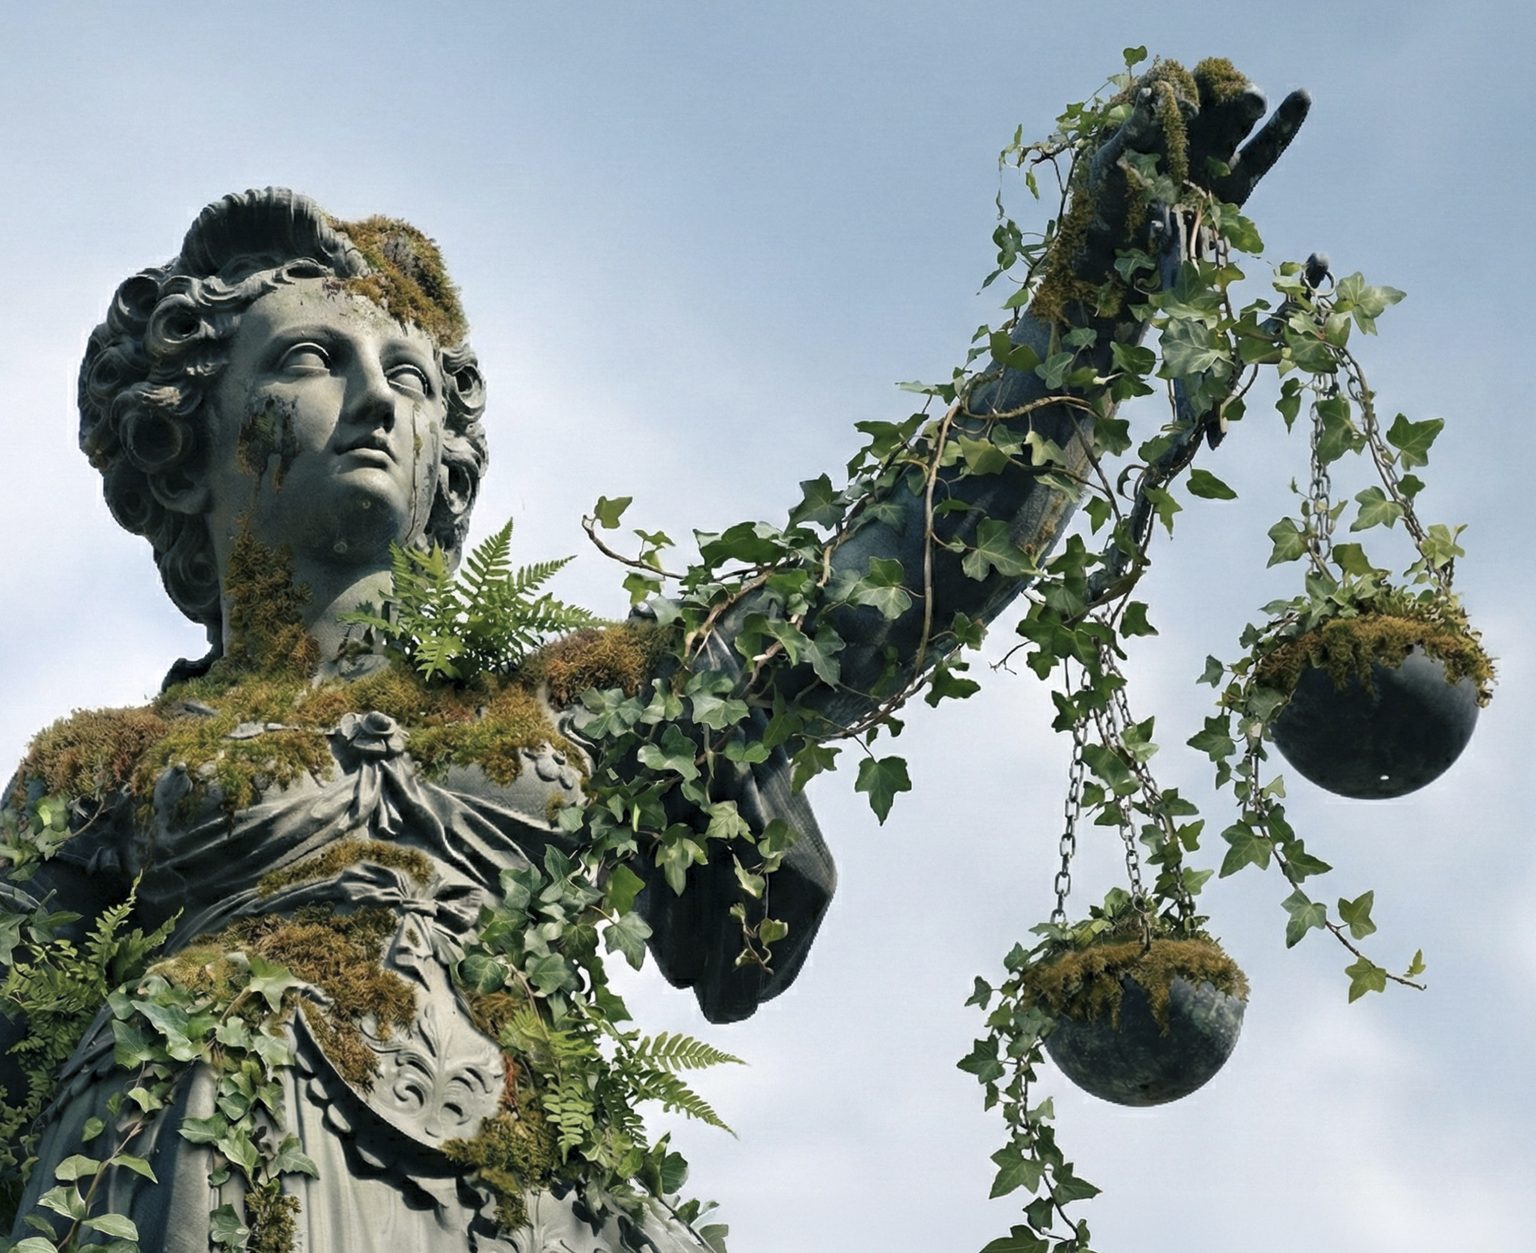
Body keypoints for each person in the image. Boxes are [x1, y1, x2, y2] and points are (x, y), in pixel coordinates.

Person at [0, 63, 1306, 1252]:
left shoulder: (580, 702)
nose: (381, 395)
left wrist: (1091, 284)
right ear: (191, 428)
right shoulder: (98, 774)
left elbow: (890, 581)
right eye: (311, 359)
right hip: (204, 1166)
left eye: (408, 369)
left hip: (525, 1191)